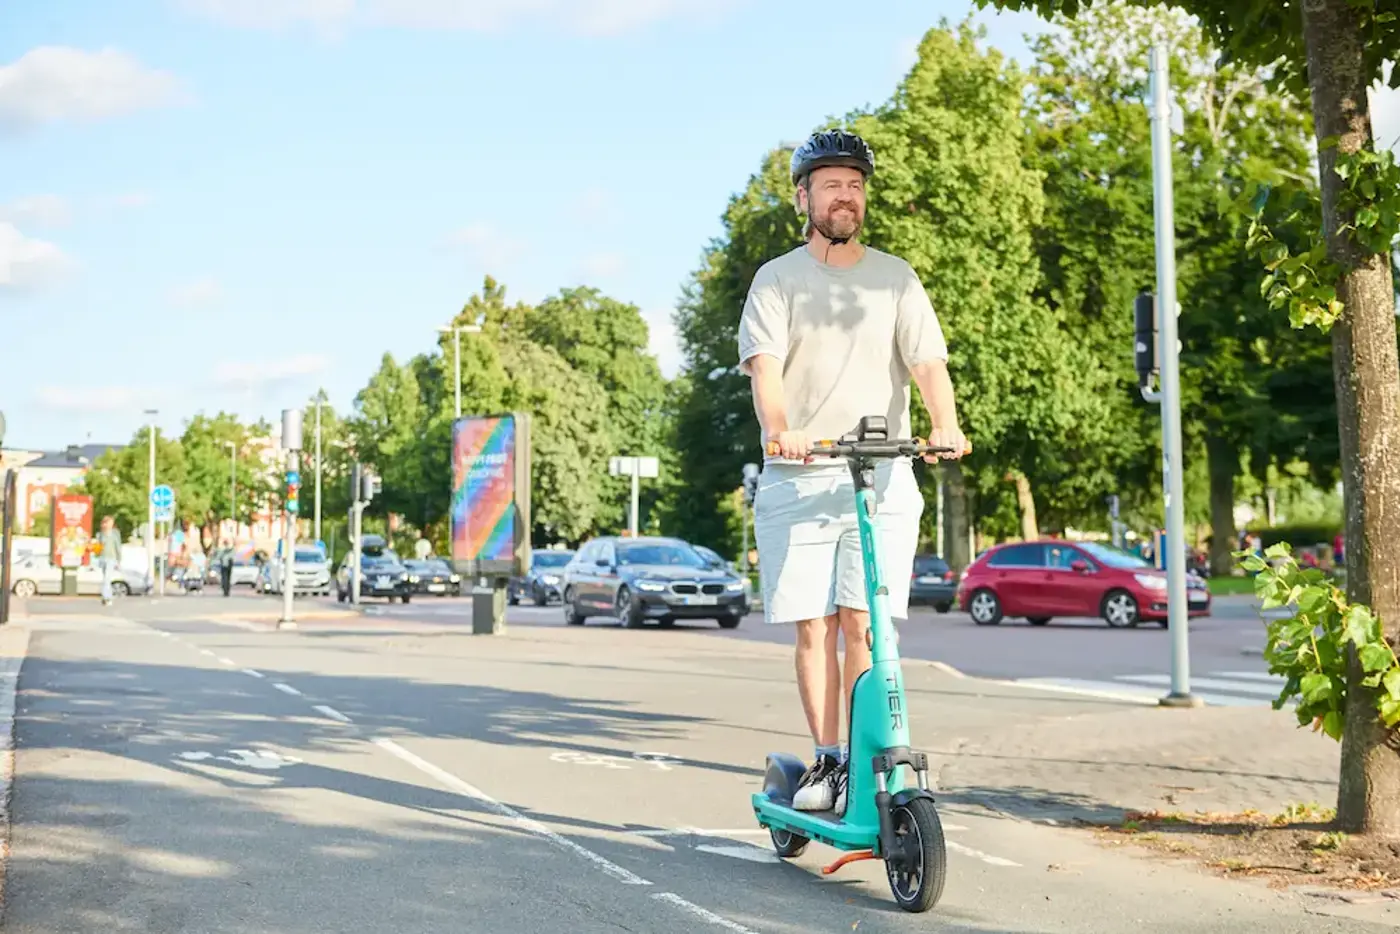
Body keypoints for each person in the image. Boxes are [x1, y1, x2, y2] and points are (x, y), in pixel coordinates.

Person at [737, 129, 969, 814]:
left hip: (882, 477)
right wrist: (781, 431)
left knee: (864, 624)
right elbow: (766, 371)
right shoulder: (777, 279)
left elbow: (928, 362)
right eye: (833, 184)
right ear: (803, 196)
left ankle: (869, 760)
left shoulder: (895, 277)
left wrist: (944, 423)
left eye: (857, 185)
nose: (848, 195)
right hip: (802, 475)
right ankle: (831, 760)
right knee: (816, 627)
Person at [94, 516, 123, 606]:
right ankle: (108, 596)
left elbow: (118, 546)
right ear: (105, 523)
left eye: (112, 522)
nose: (110, 524)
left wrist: (119, 559)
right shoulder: (100, 534)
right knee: (106, 579)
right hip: (103, 558)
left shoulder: (115, 533)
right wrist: (97, 555)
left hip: (111, 558)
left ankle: (106, 597)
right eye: (109, 522)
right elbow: (98, 548)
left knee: (107, 578)